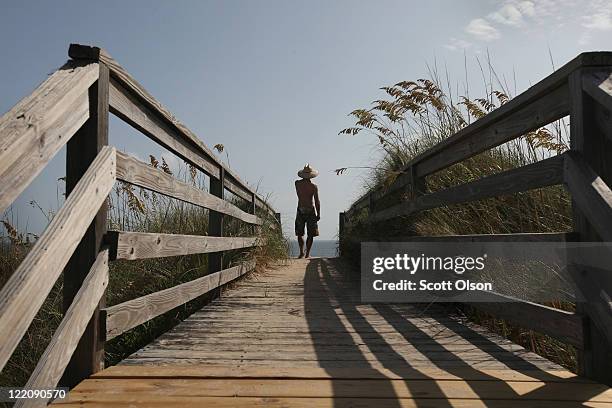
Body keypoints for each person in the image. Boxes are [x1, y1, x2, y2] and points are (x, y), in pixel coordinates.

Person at [295, 164, 320, 258]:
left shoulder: (297, 183)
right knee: (311, 234)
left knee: (299, 233)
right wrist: (318, 213)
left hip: (300, 209)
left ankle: (301, 252)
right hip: (310, 210)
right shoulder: (313, 187)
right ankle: (307, 253)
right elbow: (317, 201)